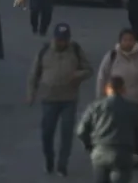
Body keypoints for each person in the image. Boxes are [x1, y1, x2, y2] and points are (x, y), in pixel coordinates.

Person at [27, 23, 93, 176]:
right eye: (59, 39)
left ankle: (62, 164)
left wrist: (77, 75)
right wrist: (31, 93)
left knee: (67, 133)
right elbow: (34, 74)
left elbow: (89, 70)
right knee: (47, 133)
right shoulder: (44, 51)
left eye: (64, 39)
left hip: (69, 99)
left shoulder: (75, 50)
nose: (61, 42)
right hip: (49, 98)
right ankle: (49, 159)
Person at [77, 75, 138, 183]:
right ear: (123, 90)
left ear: (106, 89)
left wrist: (90, 147)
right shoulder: (132, 109)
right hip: (122, 153)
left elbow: (81, 131)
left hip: (100, 152)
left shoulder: (95, 107)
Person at [97, 29, 138, 113]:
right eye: (125, 40)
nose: (128, 43)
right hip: (115, 103)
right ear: (120, 42)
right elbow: (102, 77)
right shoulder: (112, 56)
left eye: (130, 40)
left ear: (135, 42)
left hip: (136, 103)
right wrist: (100, 98)